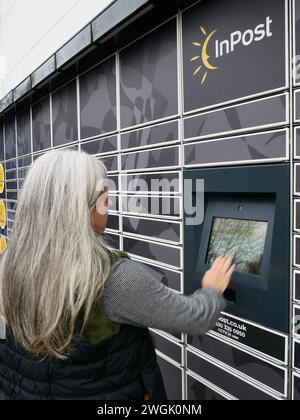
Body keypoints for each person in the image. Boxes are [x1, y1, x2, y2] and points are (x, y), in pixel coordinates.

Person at [0, 150, 234, 400]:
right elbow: (193, 318)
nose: (109, 203)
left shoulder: (10, 266)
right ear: (79, 207)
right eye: (103, 196)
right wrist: (212, 289)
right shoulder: (111, 278)